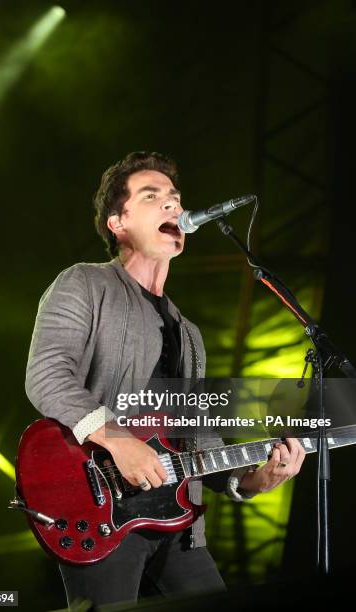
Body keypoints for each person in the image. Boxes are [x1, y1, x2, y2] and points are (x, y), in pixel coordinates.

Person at [25, 151, 305, 610]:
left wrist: (253, 479)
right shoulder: (84, 283)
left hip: (179, 524)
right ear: (118, 222)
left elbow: (200, 441)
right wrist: (117, 439)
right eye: (152, 197)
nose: (172, 207)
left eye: (175, 199)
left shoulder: (189, 334)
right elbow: (46, 373)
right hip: (100, 508)